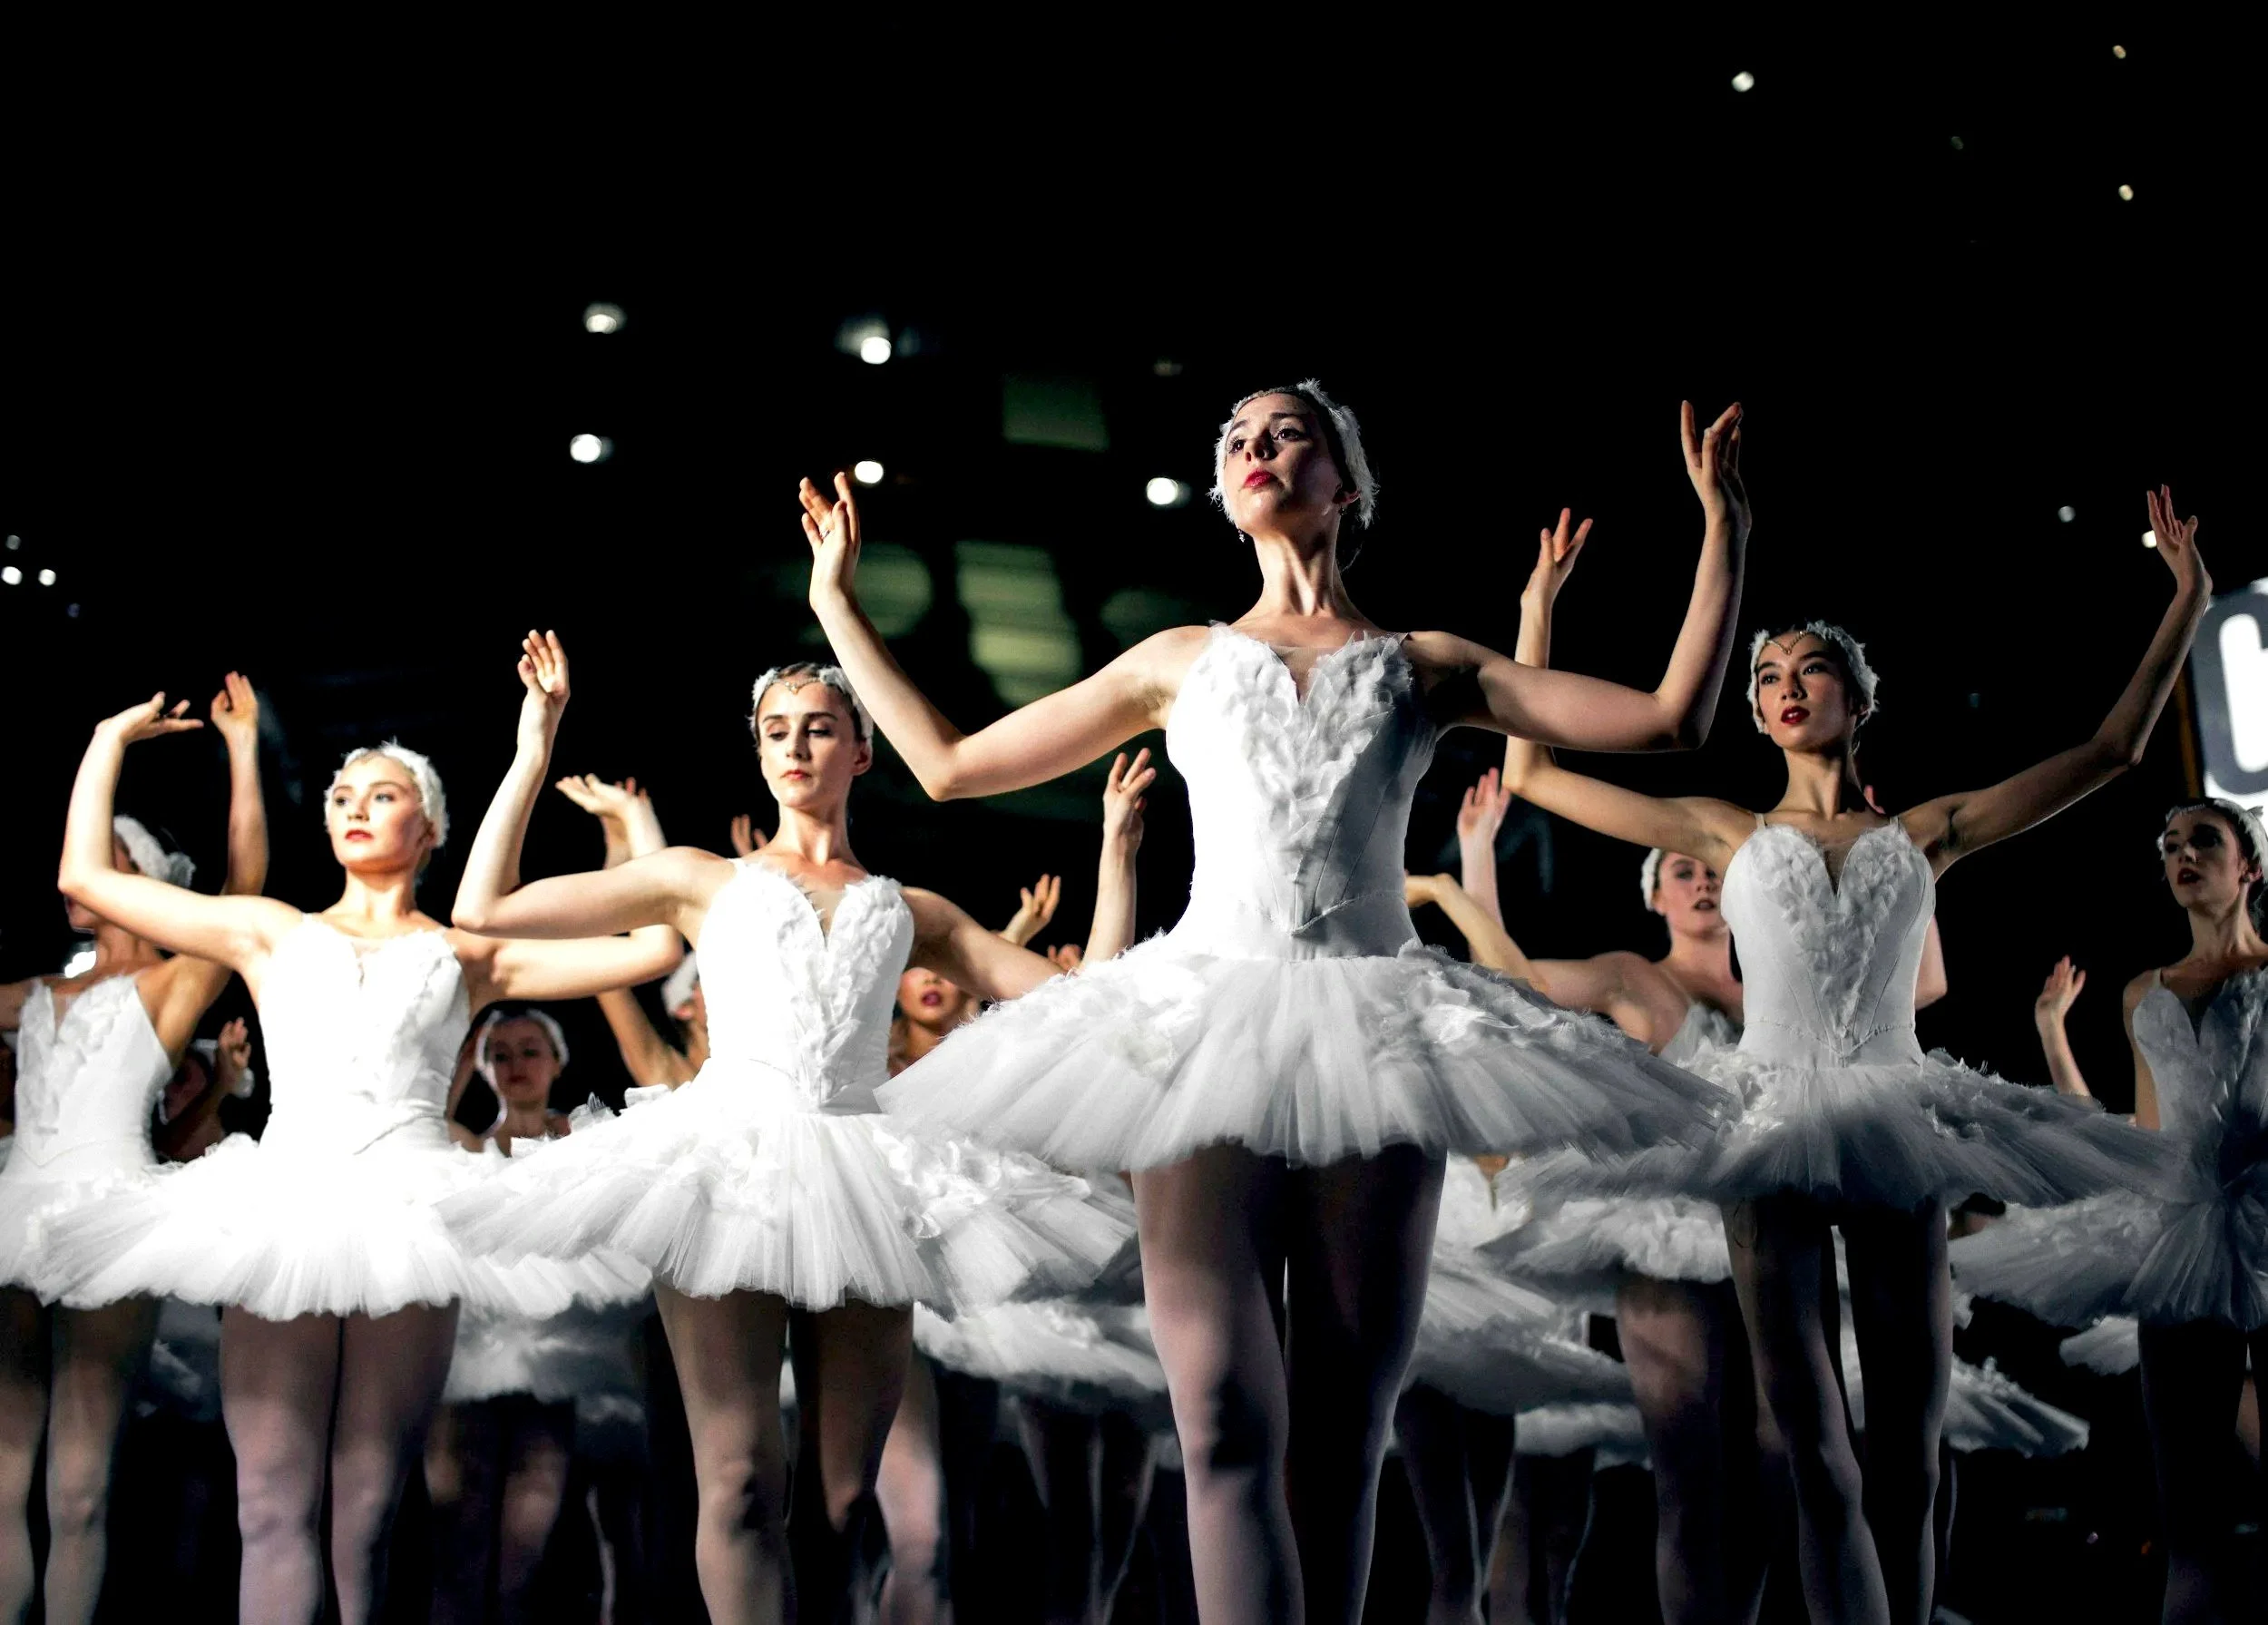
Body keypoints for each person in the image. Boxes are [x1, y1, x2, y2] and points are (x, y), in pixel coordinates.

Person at [809, 384, 1754, 1623]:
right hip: (1206, 1025)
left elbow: (1671, 718)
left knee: (1343, 1435)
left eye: (1286, 431)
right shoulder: (1178, 660)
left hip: (1378, 1032)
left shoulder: (1425, 664)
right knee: (1223, 1419)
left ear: (1344, 482)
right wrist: (836, 601)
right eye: (1238, 439)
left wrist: (1724, 526)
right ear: (1225, 491)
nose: (1257, 447)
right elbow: (947, 765)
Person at [1497, 486, 2208, 1624]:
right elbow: (1531, 776)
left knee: (1911, 1459)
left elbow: (2116, 749)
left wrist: (2188, 599)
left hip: (1891, 1110)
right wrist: (1536, 612)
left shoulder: (1927, 829)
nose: (1783, 687)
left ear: (1858, 697)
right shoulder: (1722, 830)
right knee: (1813, 1454)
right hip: (1766, 1115)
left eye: (1808, 668)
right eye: (1768, 676)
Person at [437, 636, 1142, 1623]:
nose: (796, 747)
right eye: (776, 733)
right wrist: (534, 744)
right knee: (736, 1484)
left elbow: (1079, 1001)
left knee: (844, 1501)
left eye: (820, 729)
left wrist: (1116, 856)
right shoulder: (697, 879)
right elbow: (486, 906)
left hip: (865, 1177)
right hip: (725, 1169)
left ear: (862, 751)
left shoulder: (910, 909)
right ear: (759, 756)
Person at [45, 677, 673, 1625]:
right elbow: (86, 880)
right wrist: (106, 738)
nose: (353, 808)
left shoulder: (472, 954)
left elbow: (656, 945)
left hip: (410, 1213)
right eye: (342, 796)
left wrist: (535, 759)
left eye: (382, 796)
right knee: (268, 1503)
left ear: (429, 831)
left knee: (369, 1510)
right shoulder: (268, 930)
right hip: (284, 1206)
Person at [1951, 798, 2268, 1621]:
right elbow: (2143, 1140)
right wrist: (2054, 1034)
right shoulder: (2142, 995)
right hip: (2184, 1240)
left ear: (2251, 866)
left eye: (2204, 839)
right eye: (2169, 845)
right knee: (2190, 1515)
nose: (2182, 854)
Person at [0, 671, 266, 1625]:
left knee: (76, 1486)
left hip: (110, 1215)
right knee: (1, 1480)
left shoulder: (170, 986)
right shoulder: (28, 993)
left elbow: (243, 895)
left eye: (108, 854)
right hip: (14, 1214)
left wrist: (240, 751)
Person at [425, 1003, 650, 1625]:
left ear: (557, 1060)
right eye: (500, 1053)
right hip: (473, 1349)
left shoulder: (586, 1138)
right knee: (457, 1531)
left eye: (530, 1050)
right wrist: (467, 1038)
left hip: (556, 1352)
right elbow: (426, 1121)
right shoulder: (470, 1145)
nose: (516, 1064)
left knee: (527, 1540)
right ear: (482, 1065)